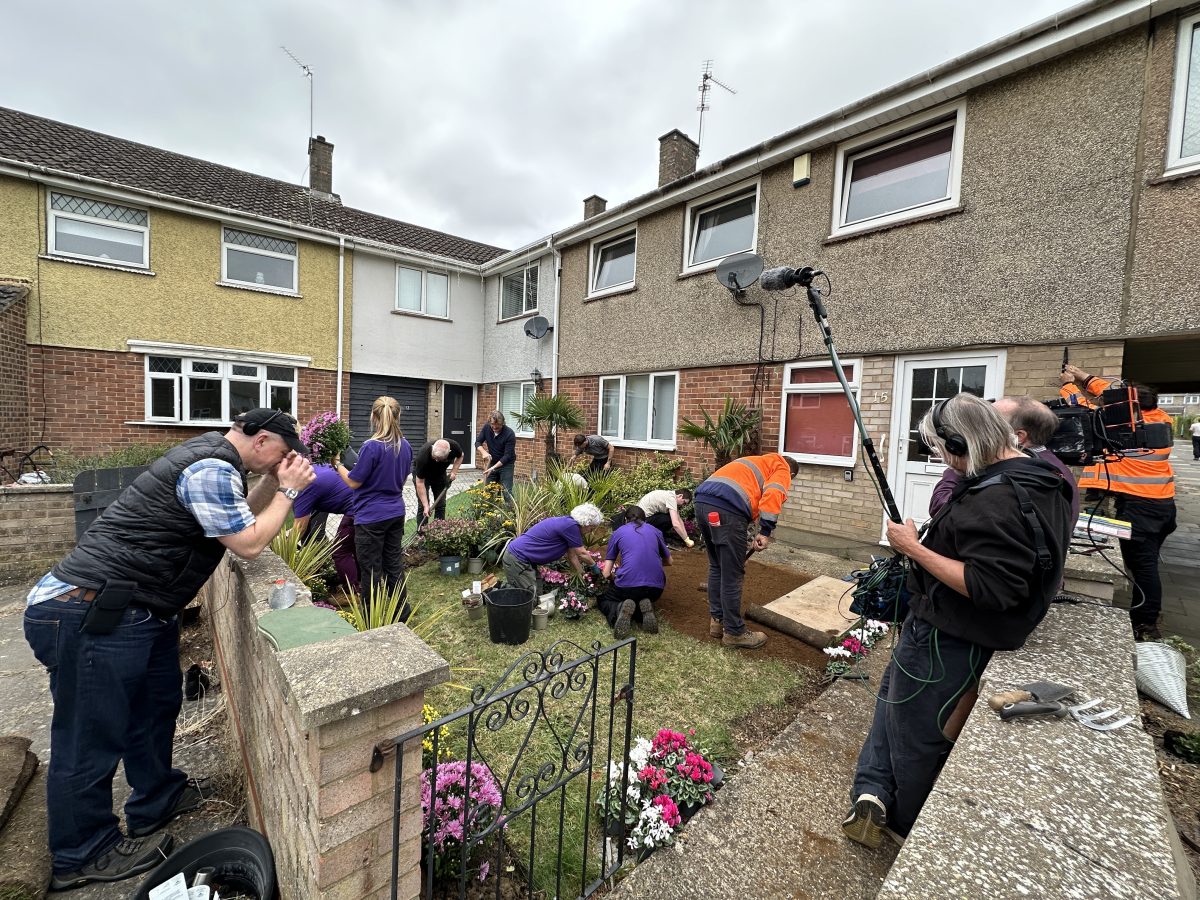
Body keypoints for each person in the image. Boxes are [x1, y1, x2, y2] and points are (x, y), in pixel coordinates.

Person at [24, 409, 315, 889]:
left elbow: (239, 510)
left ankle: (155, 799)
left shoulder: (219, 464)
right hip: (91, 611)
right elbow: (248, 543)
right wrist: (290, 491)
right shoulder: (209, 468)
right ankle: (81, 852)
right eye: (282, 455)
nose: (284, 463)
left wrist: (271, 483)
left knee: (155, 707)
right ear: (262, 440)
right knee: (91, 736)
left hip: (137, 611)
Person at [842, 393, 1072, 850]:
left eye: (942, 449)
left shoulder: (998, 499)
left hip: (949, 639)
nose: (941, 459)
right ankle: (871, 790)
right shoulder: (1042, 476)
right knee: (891, 703)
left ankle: (904, 821)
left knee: (917, 730)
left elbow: (992, 587)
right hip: (943, 628)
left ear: (961, 441)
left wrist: (914, 548)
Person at [1059, 364, 1176, 639]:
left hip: (1141, 509)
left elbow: (1083, 409)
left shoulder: (1122, 429)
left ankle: (1146, 625)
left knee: (1144, 569)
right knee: (1147, 565)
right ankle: (1146, 616)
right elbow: (1112, 396)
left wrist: (1067, 385)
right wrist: (1081, 376)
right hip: (1163, 508)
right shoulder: (1162, 419)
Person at [693, 453, 800, 650]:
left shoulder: (756, 462)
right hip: (728, 510)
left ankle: (717, 622)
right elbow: (773, 494)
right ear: (791, 473)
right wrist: (765, 532)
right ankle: (734, 632)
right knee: (732, 575)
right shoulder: (782, 467)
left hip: (702, 502)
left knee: (717, 565)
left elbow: (745, 496)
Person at [929, 395, 1080, 523]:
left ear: (1019, 436)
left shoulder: (1021, 478)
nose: (982, 426)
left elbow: (943, 509)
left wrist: (959, 459)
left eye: (992, 422)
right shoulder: (1049, 467)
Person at [335, 396, 412, 609]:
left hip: (370, 517)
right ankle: (401, 612)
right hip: (396, 512)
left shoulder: (371, 446)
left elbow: (353, 481)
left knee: (370, 570)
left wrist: (336, 464)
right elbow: (403, 479)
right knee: (393, 566)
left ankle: (372, 618)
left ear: (373, 416)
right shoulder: (405, 445)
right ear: (398, 415)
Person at [501, 503, 606, 599]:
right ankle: (497, 590)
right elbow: (582, 553)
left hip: (525, 560)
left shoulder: (568, 524)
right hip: (518, 558)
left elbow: (572, 555)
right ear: (586, 523)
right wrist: (594, 566)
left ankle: (510, 587)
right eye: (591, 528)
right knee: (528, 599)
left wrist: (581, 575)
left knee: (538, 595)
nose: (589, 532)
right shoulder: (571, 526)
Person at [600, 506, 672, 639]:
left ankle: (619, 608)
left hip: (628, 587)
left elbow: (606, 573)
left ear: (626, 520)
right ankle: (642, 607)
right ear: (645, 519)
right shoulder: (656, 531)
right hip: (655, 589)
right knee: (640, 595)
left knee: (604, 599)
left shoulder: (618, 532)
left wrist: (614, 578)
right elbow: (669, 561)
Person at [290, 462, 358, 590]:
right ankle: (363, 585)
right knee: (356, 549)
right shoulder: (315, 468)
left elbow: (299, 528)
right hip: (367, 504)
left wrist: (286, 550)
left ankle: (352, 592)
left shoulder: (304, 488)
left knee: (340, 552)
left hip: (358, 511)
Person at [412, 438, 464, 529]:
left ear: (449, 452)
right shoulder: (423, 456)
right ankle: (421, 534)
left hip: (439, 475)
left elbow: (461, 455)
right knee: (423, 507)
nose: (436, 461)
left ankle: (438, 532)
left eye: (440, 459)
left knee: (440, 504)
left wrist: (453, 472)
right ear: (432, 448)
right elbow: (420, 482)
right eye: (434, 458)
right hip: (423, 475)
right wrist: (426, 505)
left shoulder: (454, 447)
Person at [476, 410, 516, 497]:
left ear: (503, 424)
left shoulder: (509, 434)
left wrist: (493, 468)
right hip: (492, 462)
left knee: (506, 492)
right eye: (492, 426)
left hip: (506, 465)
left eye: (497, 427)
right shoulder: (487, 428)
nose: (494, 428)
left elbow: (507, 456)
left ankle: (511, 510)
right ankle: (489, 510)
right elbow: (478, 442)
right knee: (488, 490)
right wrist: (483, 452)